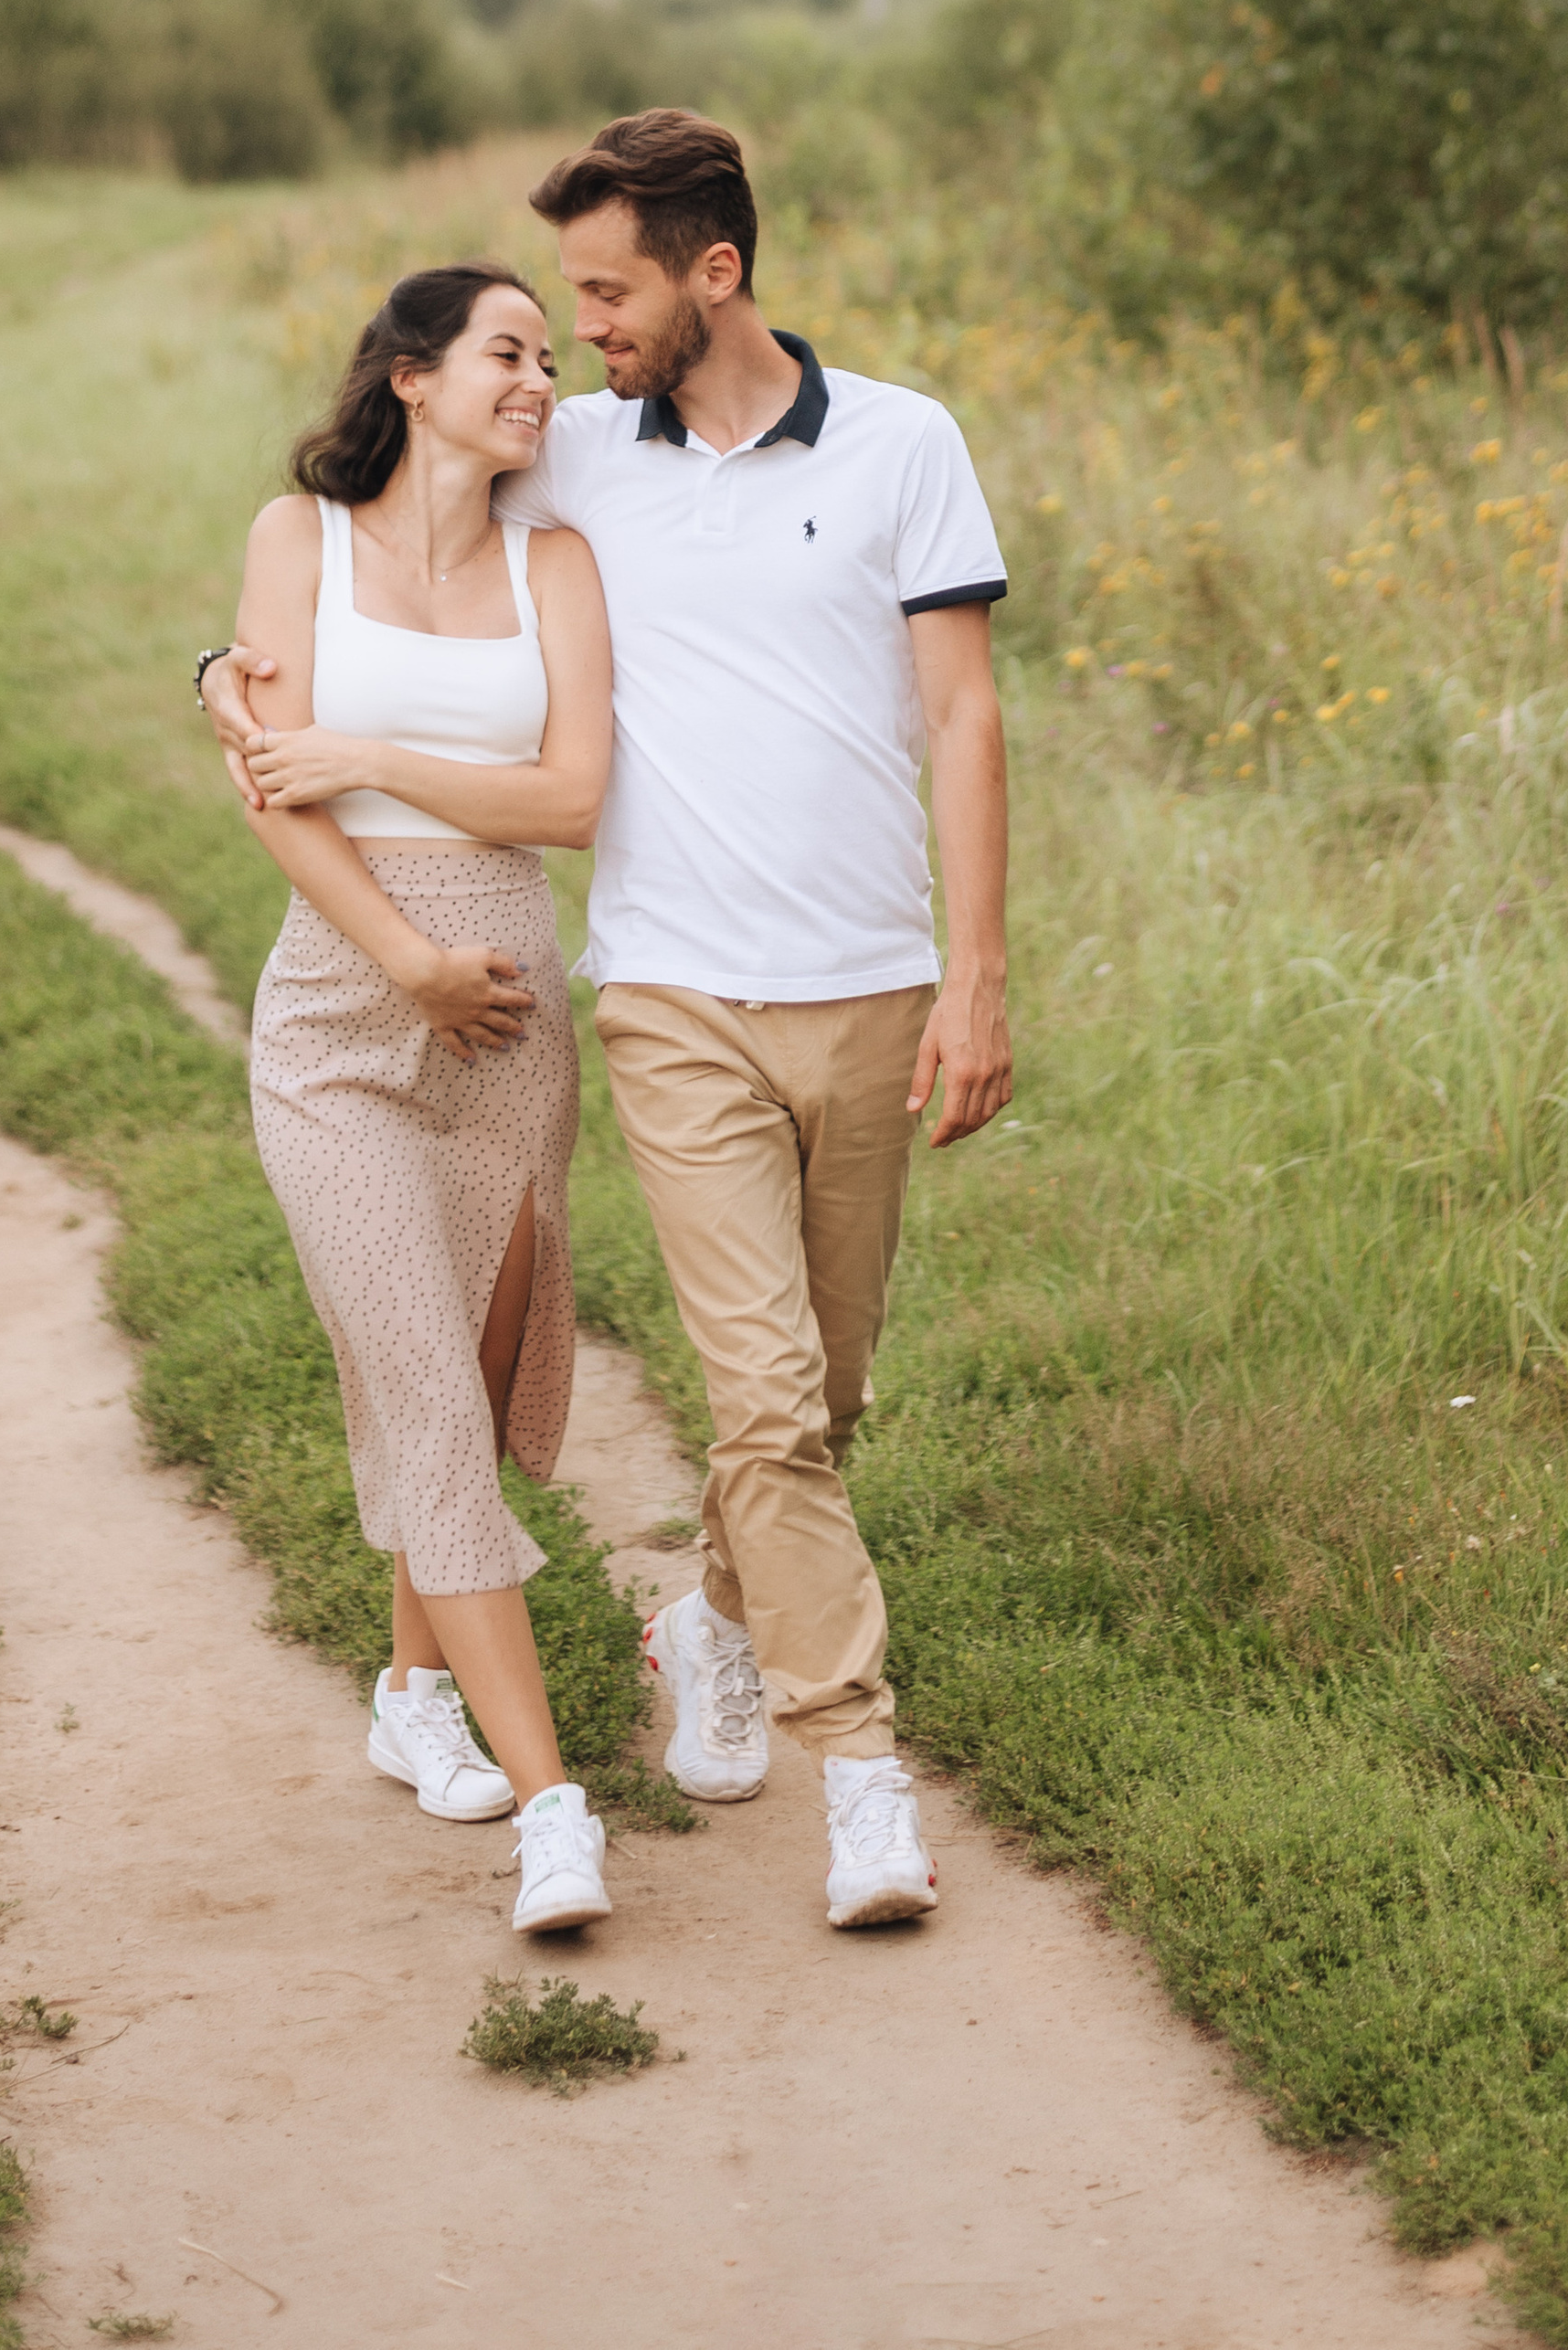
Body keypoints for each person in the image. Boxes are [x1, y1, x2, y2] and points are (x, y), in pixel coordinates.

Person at [212, 113, 1013, 1933]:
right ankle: (857, 1778)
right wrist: (225, 678)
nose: (573, 340)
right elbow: (363, 514)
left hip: (866, 977)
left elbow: (960, 722)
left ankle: (710, 1622)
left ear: (707, 272)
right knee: (754, 1395)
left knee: (826, 1389)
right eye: (546, 310)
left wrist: (973, 974)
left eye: (600, 292)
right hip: (660, 990)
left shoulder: (902, 442)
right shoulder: (575, 446)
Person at [203, 260, 618, 1937]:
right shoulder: (294, 543)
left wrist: (375, 759)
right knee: (430, 1394)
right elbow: (267, 791)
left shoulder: (557, 563)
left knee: (457, 1360)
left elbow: (574, 795)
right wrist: (406, 963)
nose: (542, 380)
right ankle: (555, 1809)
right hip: (337, 1017)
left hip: (510, 1020)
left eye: (553, 356)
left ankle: (410, 1688)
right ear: (412, 376)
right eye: (511, 353)